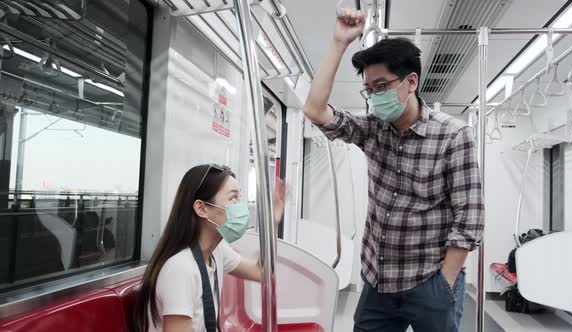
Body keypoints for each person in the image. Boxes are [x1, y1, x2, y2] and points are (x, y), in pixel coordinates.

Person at [303, 7, 485, 332]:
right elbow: (315, 110)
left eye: (382, 86)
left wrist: (446, 281)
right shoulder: (373, 129)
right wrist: (338, 43)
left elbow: (469, 218)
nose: (374, 97)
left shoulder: (453, 135)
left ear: (411, 81)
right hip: (378, 282)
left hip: (429, 281)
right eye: (369, 89)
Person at [134, 164, 285, 332]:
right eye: (232, 198)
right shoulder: (180, 269)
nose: (240, 207)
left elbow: (261, 272)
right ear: (202, 208)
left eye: (239, 198)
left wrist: (273, 222)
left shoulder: (217, 251)